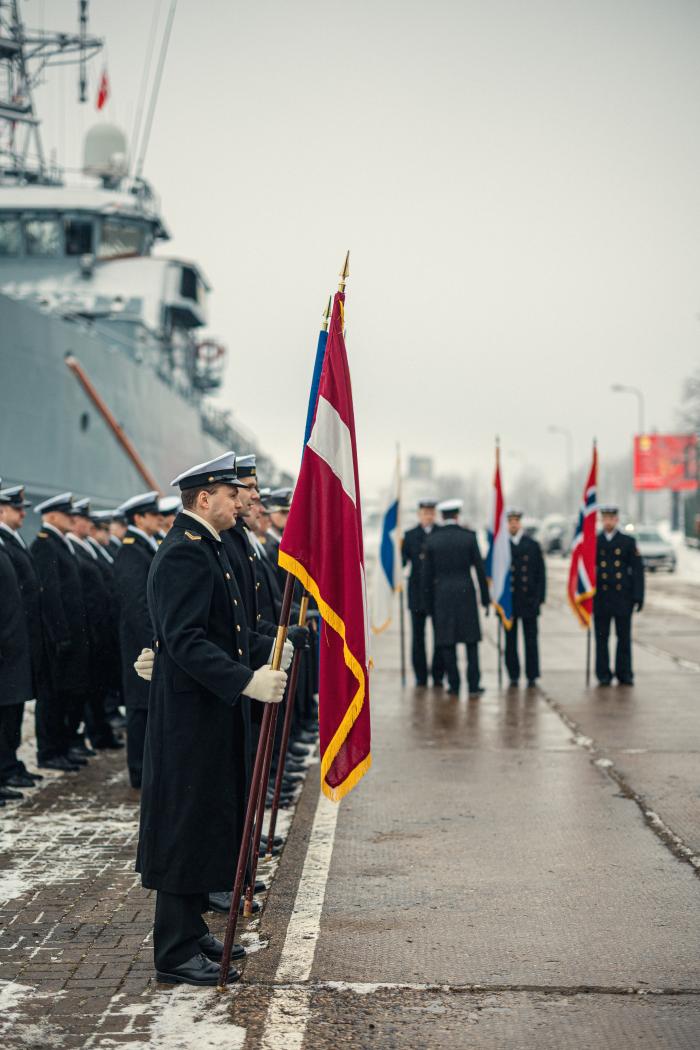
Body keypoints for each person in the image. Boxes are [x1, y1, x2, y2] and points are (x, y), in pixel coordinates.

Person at [135, 451, 288, 987]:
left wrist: (268, 649)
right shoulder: (185, 552)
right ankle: (174, 950)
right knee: (184, 825)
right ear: (205, 498)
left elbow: (228, 629)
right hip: (190, 718)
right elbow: (186, 639)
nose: (240, 502)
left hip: (208, 712)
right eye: (231, 494)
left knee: (204, 821)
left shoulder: (210, 548)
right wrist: (245, 680)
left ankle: (191, 926)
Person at [30, 493, 92, 771]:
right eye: (68, 515)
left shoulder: (60, 544)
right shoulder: (45, 545)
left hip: (71, 636)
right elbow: (50, 595)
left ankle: (63, 746)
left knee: (66, 695)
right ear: (52, 517)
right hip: (58, 639)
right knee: (52, 697)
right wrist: (60, 636)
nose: (73, 519)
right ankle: (50, 751)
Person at [113, 491, 161, 788]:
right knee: (140, 708)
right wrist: (152, 642)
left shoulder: (143, 546)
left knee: (147, 706)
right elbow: (136, 605)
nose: (158, 518)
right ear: (138, 518)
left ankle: (147, 769)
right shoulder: (131, 550)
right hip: (139, 643)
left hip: (145, 641)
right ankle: (139, 772)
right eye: (153, 514)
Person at [0, 484, 44, 789]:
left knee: (12, 709)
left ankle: (9, 765)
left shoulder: (6, 543)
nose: (22, 513)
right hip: (6, 644)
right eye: (17, 509)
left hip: (15, 642)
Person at [425, 499, 490, 698]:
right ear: (457, 515)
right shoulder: (469, 537)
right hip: (466, 594)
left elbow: (426, 576)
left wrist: (427, 605)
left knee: (447, 642)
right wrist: (486, 599)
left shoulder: (432, 540)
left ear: (442, 516)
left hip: (442, 595)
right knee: (471, 642)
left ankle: (453, 684)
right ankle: (473, 685)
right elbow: (480, 571)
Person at [593, 505, 644, 686]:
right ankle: (603, 674)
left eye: (612, 518)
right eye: (605, 518)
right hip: (601, 598)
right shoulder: (594, 542)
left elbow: (637, 571)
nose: (608, 522)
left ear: (616, 520)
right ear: (601, 520)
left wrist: (638, 596)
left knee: (623, 638)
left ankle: (624, 673)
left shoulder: (627, 542)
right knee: (601, 638)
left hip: (622, 597)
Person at [401, 499, 443, 687]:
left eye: (431, 513)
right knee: (418, 637)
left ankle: (438, 673)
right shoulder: (410, 535)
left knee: (440, 636)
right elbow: (401, 563)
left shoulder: (441, 534)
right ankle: (420, 675)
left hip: (437, 594)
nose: (429, 516)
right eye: (425, 513)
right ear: (419, 515)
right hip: (417, 593)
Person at [504, 508, 546, 688]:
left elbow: (540, 574)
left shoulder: (532, 544)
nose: (513, 524)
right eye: (510, 521)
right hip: (508, 602)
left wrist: (539, 598)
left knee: (531, 640)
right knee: (510, 641)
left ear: (520, 523)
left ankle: (532, 675)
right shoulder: (501, 546)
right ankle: (513, 674)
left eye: (516, 521)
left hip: (528, 600)